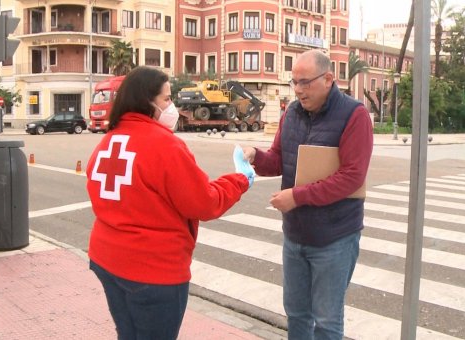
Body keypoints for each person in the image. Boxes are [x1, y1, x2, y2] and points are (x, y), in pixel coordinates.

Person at [85, 66, 252, 340]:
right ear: (146, 102)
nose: (172, 106)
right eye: (166, 99)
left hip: (107, 260)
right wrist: (239, 180)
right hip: (152, 271)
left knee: (128, 334)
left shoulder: (109, 141)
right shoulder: (164, 145)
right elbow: (204, 203)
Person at [243, 50, 373, 339]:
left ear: (328, 79)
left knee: (327, 321)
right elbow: (279, 158)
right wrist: (255, 155)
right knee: (297, 314)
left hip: (334, 238)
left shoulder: (354, 115)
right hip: (295, 236)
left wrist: (297, 197)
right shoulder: (291, 113)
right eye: (294, 83)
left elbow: (352, 178)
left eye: (305, 82)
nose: (299, 90)